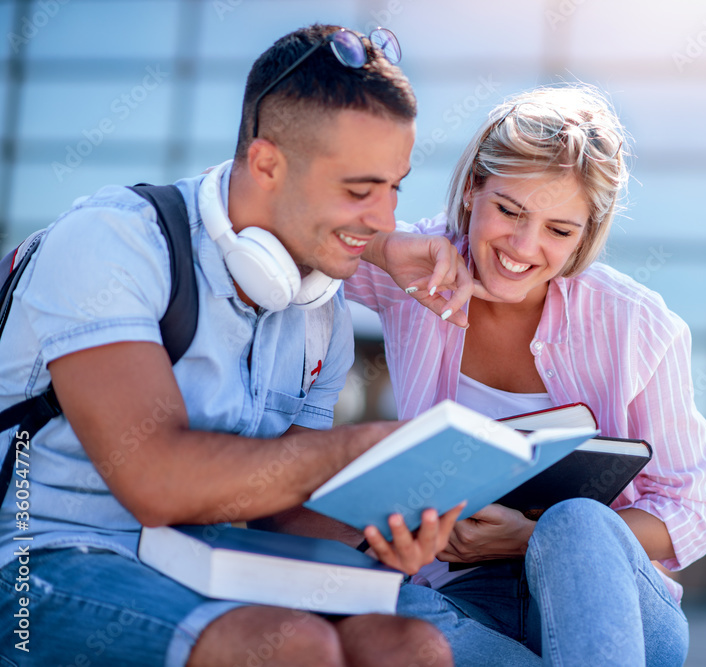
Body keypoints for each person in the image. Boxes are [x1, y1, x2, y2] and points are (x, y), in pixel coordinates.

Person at [0, 24, 473, 667]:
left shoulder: (318, 309)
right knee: (293, 649)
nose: (386, 219)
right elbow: (155, 481)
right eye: (360, 191)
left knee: (409, 647)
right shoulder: (114, 243)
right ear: (267, 163)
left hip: (207, 565)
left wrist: (389, 522)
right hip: (34, 564)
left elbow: (283, 512)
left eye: (394, 186)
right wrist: (354, 448)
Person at [344, 85, 706, 665]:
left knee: (577, 522)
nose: (524, 247)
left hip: (615, 606)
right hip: (467, 603)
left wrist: (532, 540)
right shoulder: (417, 266)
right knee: (359, 605)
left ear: (586, 233)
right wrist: (383, 248)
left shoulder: (639, 326)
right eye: (509, 210)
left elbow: (692, 513)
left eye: (559, 230)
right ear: (473, 188)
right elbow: (289, 227)